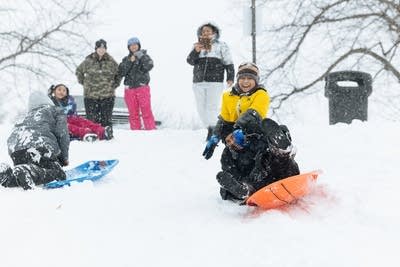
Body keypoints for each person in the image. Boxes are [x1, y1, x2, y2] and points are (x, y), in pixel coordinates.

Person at [217, 118, 300, 203]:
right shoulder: (227, 157)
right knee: (226, 183)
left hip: (280, 172)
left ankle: (283, 150)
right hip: (259, 186)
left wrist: (281, 133)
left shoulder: (256, 136)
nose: (232, 142)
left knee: (276, 158)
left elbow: (279, 131)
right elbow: (234, 176)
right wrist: (247, 181)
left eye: (232, 137)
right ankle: (245, 192)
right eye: (228, 142)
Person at [0, 91, 70, 190]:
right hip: (38, 146)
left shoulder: (26, 116)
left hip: (15, 151)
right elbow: (62, 135)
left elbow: (13, 137)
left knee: (21, 176)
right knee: (59, 174)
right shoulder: (55, 110)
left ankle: (7, 176)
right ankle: (27, 171)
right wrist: (64, 158)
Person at [202, 62, 270, 160]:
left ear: (256, 80)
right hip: (233, 143)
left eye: (250, 78)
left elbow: (253, 114)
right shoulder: (227, 96)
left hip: (254, 138)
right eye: (242, 78)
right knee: (229, 162)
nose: (245, 81)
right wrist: (215, 136)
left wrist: (236, 130)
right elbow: (223, 119)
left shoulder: (261, 94)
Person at [187, 22, 235, 140]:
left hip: (215, 81)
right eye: (203, 31)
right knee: (200, 108)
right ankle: (210, 126)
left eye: (208, 31)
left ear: (214, 33)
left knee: (211, 107)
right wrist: (196, 51)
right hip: (198, 81)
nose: (206, 33)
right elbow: (190, 61)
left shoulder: (221, 45)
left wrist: (230, 77)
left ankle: (213, 130)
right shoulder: (197, 46)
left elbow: (228, 62)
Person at [75, 39, 119, 133]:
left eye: (103, 48)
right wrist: (84, 83)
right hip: (91, 96)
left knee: (106, 120)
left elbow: (119, 74)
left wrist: (114, 85)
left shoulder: (111, 61)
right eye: (99, 47)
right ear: (96, 48)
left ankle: (107, 137)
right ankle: (93, 136)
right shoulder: (88, 61)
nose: (101, 50)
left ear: (106, 49)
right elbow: (79, 71)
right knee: (92, 120)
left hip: (108, 96)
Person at [114, 36, 156, 130]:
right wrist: (130, 61)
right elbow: (121, 72)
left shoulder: (145, 56)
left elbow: (149, 65)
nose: (133, 47)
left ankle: (151, 131)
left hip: (142, 87)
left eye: (135, 45)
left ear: (138, 45)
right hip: (129, 89)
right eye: (131, 45)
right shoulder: (125, 59)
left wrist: (141, 56)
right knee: (133, 113)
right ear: (128, 47)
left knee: (146, 111)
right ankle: (135, 133)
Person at [48, 84, 113, 141]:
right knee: (70, 127)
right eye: (59, 90)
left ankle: (102, 131)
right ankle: (87, 133)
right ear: (54, 91)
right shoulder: (51, 101)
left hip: (73, 118)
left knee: (86, 123)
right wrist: (50, 95)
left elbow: (71, 109)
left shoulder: (70, 100)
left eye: (64, 90)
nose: (61, 92)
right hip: (62, 121)